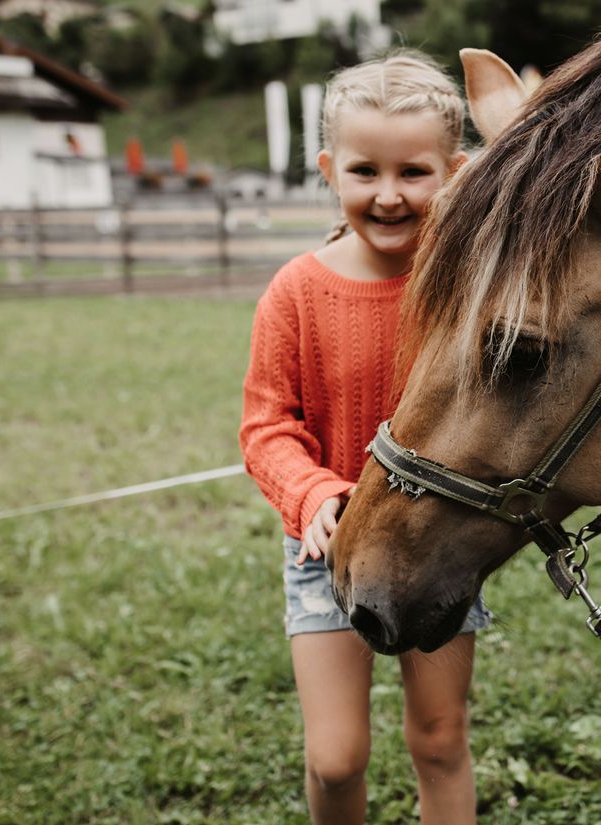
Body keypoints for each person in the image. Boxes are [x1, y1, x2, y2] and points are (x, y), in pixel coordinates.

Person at [239, 52, 490, 825]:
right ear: (327, 168)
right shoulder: (295, 291)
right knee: (336, 756)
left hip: (437, 541)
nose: (388, 195)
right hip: (327, 551)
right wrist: (312, 493)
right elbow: (265, 426)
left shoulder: (468, 283)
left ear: (455, 170)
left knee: (441, 737)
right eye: (363, 171)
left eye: (414, 172)